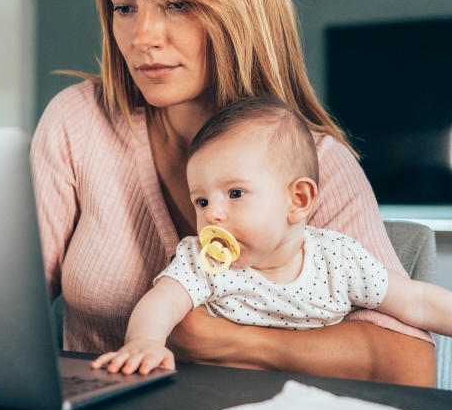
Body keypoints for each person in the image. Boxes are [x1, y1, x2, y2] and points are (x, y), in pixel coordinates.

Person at [29, 0, 436, 385]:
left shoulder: (317, 161)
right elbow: (7, 303)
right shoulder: (78, 120)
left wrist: (223, 341)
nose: (142, 37)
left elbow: (410, 366)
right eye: (124, 6)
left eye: (177, 3)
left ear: (239, 7)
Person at [90, 95, 452, 376]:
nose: (212, 213)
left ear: (297, 200)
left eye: (235, 194)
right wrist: (144, 342)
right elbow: (162, 301)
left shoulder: (338, 259)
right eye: (201, 200)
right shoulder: (207, 261)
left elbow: (417, 302)